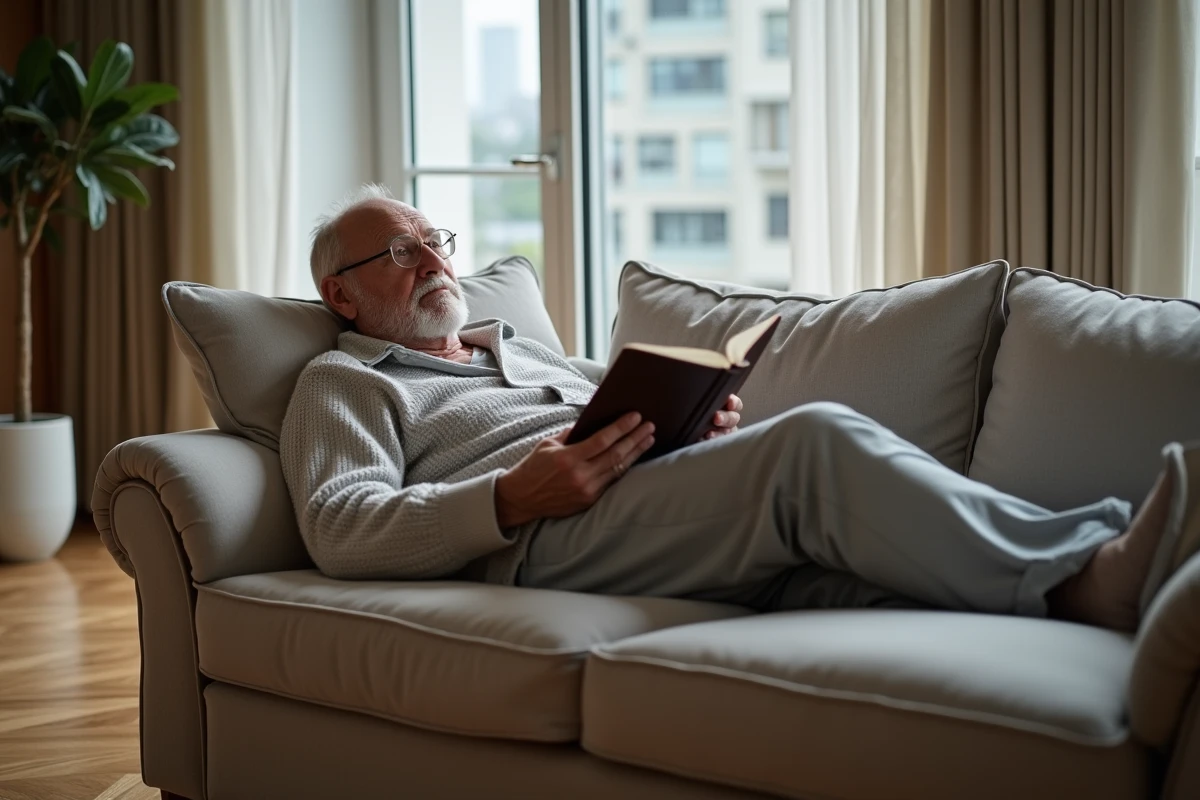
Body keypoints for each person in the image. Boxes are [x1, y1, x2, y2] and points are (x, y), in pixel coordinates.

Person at [280, 184, 1199, 633]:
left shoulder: (518, 349)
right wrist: (511, 497)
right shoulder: (345, 383)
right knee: (812, 446)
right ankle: (1091, 568)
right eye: (400, 253)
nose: (436, 261)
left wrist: (688, 425)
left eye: (434, 240)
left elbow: (614, 419)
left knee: (835, 572)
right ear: (341, 294)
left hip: (637, 504)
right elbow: (339, 527)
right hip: (539, 540)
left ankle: (1104, 590)